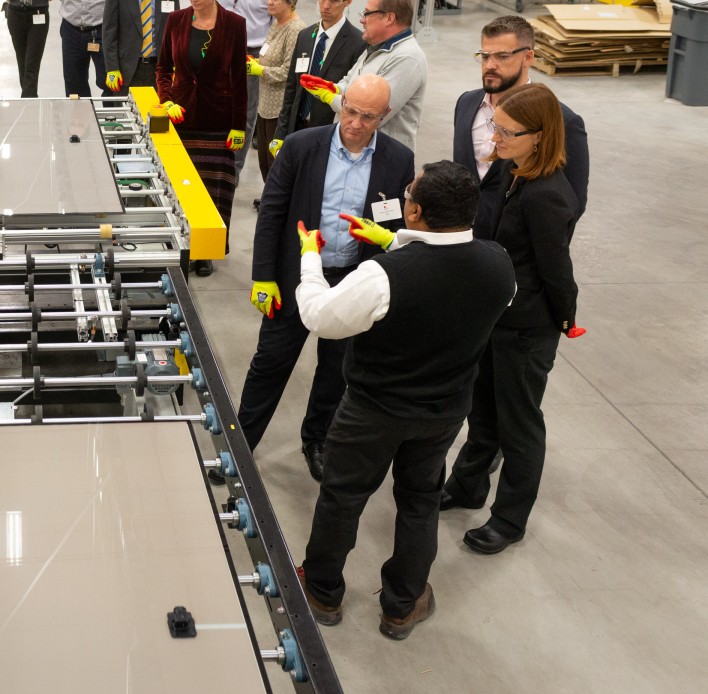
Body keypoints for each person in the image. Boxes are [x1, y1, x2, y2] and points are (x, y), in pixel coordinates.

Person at [295, 161, 516, 640]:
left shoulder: (382, 277)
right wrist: (393, 238)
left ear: (413, 211)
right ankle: (403, 604)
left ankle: (322, 592)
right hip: (443, 413)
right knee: (420, 502)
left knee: (342, 498)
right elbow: (451, 276)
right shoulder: (499, 265)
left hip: (373, 412)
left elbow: (320, 316)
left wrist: (310, 259)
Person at [240, 75, 416, 478]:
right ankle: (240, 441)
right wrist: (264, 275)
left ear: (385, 116)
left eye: (368, 116)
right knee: (270, 364)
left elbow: (395, 219)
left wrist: (387, 247)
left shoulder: (398, 158)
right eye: (349, 110)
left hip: (352, 281)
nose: (354, 122)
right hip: (294, 279)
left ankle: (316, 441)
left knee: (336, 371)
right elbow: (272, 213)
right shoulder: (303, 146)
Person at [441, 83, 585, 556]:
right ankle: (467, 485)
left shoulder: (547, 195)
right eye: (496, 128)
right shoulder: (513, 170)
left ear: (540, 136)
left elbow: (555, 268)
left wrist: (565, 317)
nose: (494, 140)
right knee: (482, 409)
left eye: (506, 132)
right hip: (496, 317)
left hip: (527, 328)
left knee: (520, 426)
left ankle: (509, 519)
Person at [455, 15, 589, 238]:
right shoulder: (466, 104)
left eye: (502, 56)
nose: (490, 65)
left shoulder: (563, 121)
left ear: (528, 57)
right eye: (485, 56)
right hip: (461, 239)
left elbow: (572, 203)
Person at [155, 0, 248, 277]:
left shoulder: (234, 25)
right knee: (182, 188)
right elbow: (163, 69)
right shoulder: (177, 20)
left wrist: (238, 125)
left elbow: (239, 79)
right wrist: (166, 102)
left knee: (214, 191)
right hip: (182, 119)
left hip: (218, 121)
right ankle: (181, 245)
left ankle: (206, 251)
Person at [301, 0, 426, 152]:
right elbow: (349, 82)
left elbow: (372, 115)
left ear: (389, 18)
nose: (362, 20)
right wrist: (333, 88)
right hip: (356, 150)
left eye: (367, 13)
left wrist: (329, 97)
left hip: (382, 157)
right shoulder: (375, 48)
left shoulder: (407, 59)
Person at [217, 0, 278, 175]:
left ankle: (234, 169)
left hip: (251, 53)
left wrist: (263, 58)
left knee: (245, 113)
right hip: (219, 47)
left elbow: (276, 25)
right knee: (218, 105)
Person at [277, 0, 363, 140]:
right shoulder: (305, 36)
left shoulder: (357, 43)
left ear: (348, 1)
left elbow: (352, 96)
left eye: (334, 0)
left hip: (329, 133)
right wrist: (281, 134)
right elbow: (292, 88)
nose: (325, 5)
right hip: (297, 128)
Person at [103, 0, 179, 93]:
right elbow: (109, 31)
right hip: (128, 69)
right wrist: (112, 68)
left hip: (159, 68)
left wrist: (176, 65)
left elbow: (175, 31)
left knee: (158, 115)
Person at [249, 0, 305, 181]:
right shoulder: (276, 23)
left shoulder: (296, 30)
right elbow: (269, 56)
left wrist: (260, 71)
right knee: (263, 160)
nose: (269, 2)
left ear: (290, 2)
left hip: (279, 109)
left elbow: (290, 71)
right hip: (265, 105)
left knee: (275, 163)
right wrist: (256, 63)